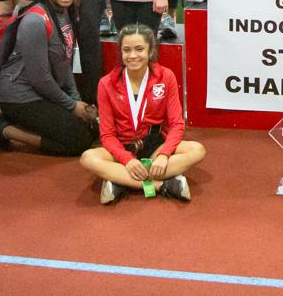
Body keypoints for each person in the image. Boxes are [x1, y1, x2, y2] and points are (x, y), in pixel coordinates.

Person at [80, 24, 206, 204]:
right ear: (120, 52)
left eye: (139, 49)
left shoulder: (166, 76)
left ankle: (120, 181)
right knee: (88, 158)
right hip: (122, 147)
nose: (132, 56)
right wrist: (127, 160)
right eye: (126, 50)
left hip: (155, 146)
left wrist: (164, 155)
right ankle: (162, 185)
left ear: (150, 50)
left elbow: (177, 124)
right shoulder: (106, 83)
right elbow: (107, 134)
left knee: (197, 150)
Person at [0, 0, 97, 157]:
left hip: (42, 92)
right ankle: (3, 128)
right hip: (19, 96)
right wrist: (72, 107)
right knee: (79, 142)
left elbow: (65, 63)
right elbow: (40, 78)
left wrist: (76, 100)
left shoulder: (65, 12)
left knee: (93, 130)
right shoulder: (35, 21)